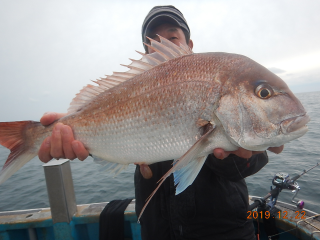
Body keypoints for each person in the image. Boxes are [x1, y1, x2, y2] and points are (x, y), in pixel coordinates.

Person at [38, 5, 284, 240]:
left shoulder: (213, 79)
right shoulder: (135, 88)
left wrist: (241, 155)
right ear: (146, 53)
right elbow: (112, 131)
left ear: (189, 44)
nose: (162, 44)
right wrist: (73, 136)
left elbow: (251, 163)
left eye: (172, 36)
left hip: (223, 232)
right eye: (152, 41)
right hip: (157, 231)